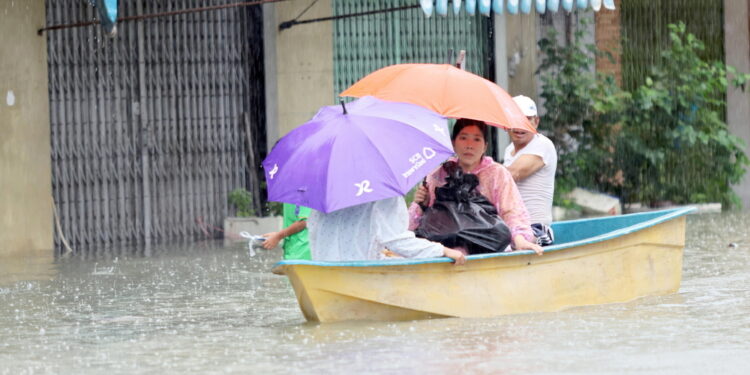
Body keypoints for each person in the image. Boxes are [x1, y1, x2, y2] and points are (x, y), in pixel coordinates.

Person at [409, 119, 543, 255]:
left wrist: (520, 240)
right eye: (463, 138)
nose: (469, 145)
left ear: (485, 146)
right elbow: (417, 225)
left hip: (488, 250)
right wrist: (421, 205)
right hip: (444, 252)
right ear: (453, 143)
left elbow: (512, 211)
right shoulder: (438, 174)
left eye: (476, 139)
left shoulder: (497, 174)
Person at [307, 196, 466, 265]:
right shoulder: (385, 191)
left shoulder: (324, 192)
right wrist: (443, 250)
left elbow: (313, 232)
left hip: (324, 268)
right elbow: (398, 241)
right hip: (360, 274)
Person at [503, 95, 557, 245]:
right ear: (507, 123)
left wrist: (476, 169)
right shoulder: (509, 150)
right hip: (512, 228)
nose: (521, 127)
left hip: (536, 229)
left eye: (527, 120)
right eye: (516, 120)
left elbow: (512, 174)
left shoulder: (542, 144)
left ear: (536, 122)